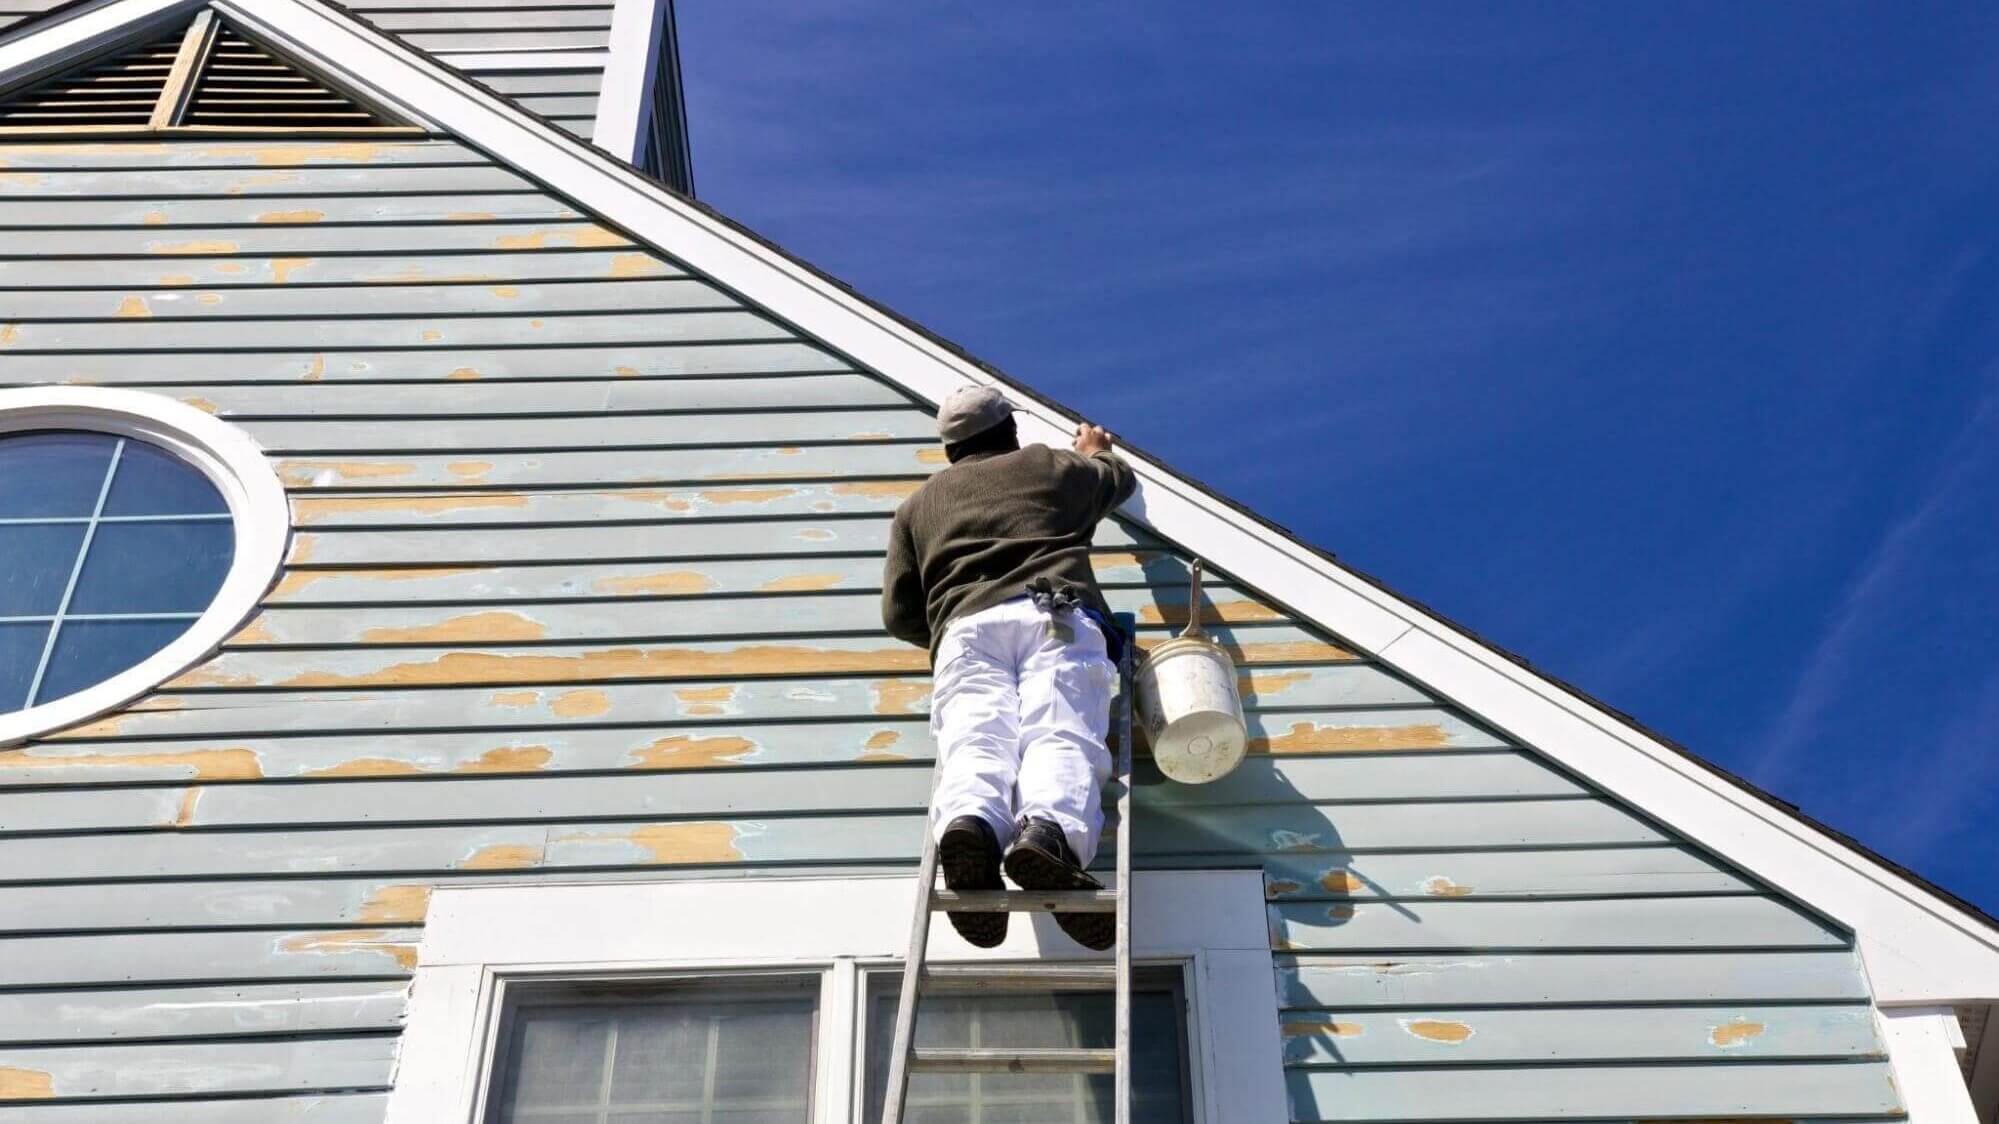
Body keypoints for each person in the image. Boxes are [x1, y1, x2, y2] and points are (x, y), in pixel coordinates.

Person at [881, 385, 1136, 950]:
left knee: (976, 740)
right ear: (1010, 432)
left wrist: (950, 621)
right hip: (1054, 615)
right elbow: (1115, 481)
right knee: (1060, 730)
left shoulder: (917, 508)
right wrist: (1096, 450)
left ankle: (971, 826)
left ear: (951, 449)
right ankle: (1049, 836)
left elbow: (899, 615)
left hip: (964, 632)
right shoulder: (1048, 466)